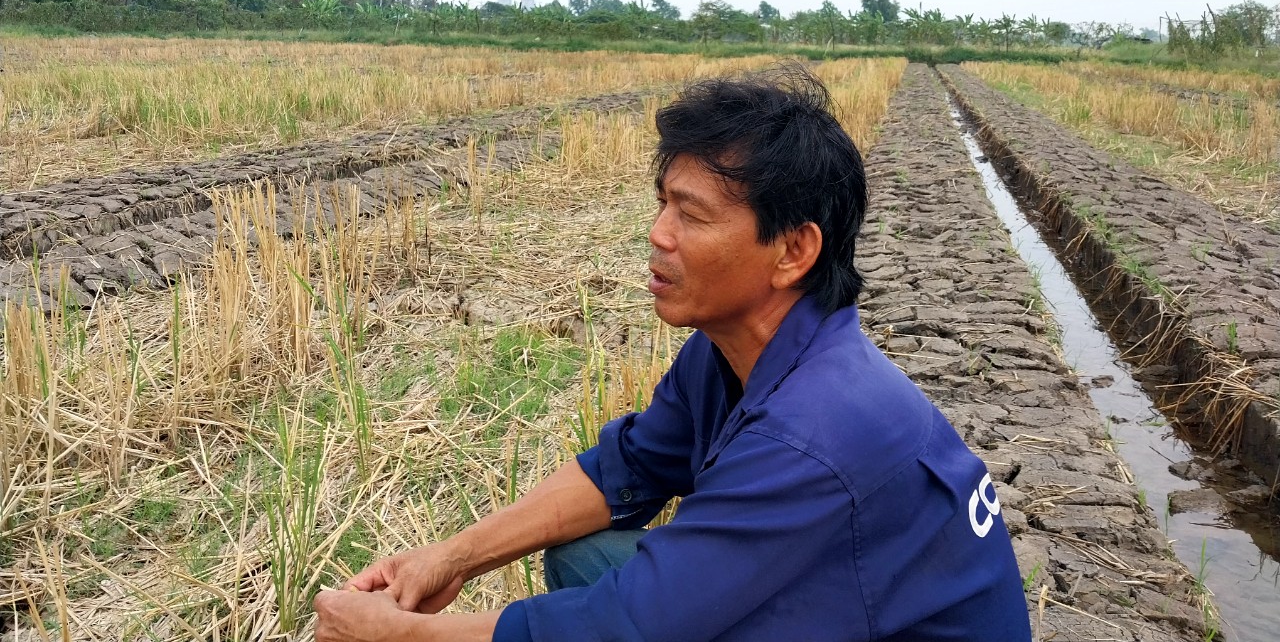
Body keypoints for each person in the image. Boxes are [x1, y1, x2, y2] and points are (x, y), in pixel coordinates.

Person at [314, 64, 1032, 642]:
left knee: (619, 604)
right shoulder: (731, 350)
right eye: (662, 203)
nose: (658, 234)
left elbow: (629, 626)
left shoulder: (815, 430)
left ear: (794, 250)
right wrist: (450, 558)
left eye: (691, 214)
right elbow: (624, 470)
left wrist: (396, 636)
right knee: (589, 556)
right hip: (854, 600)